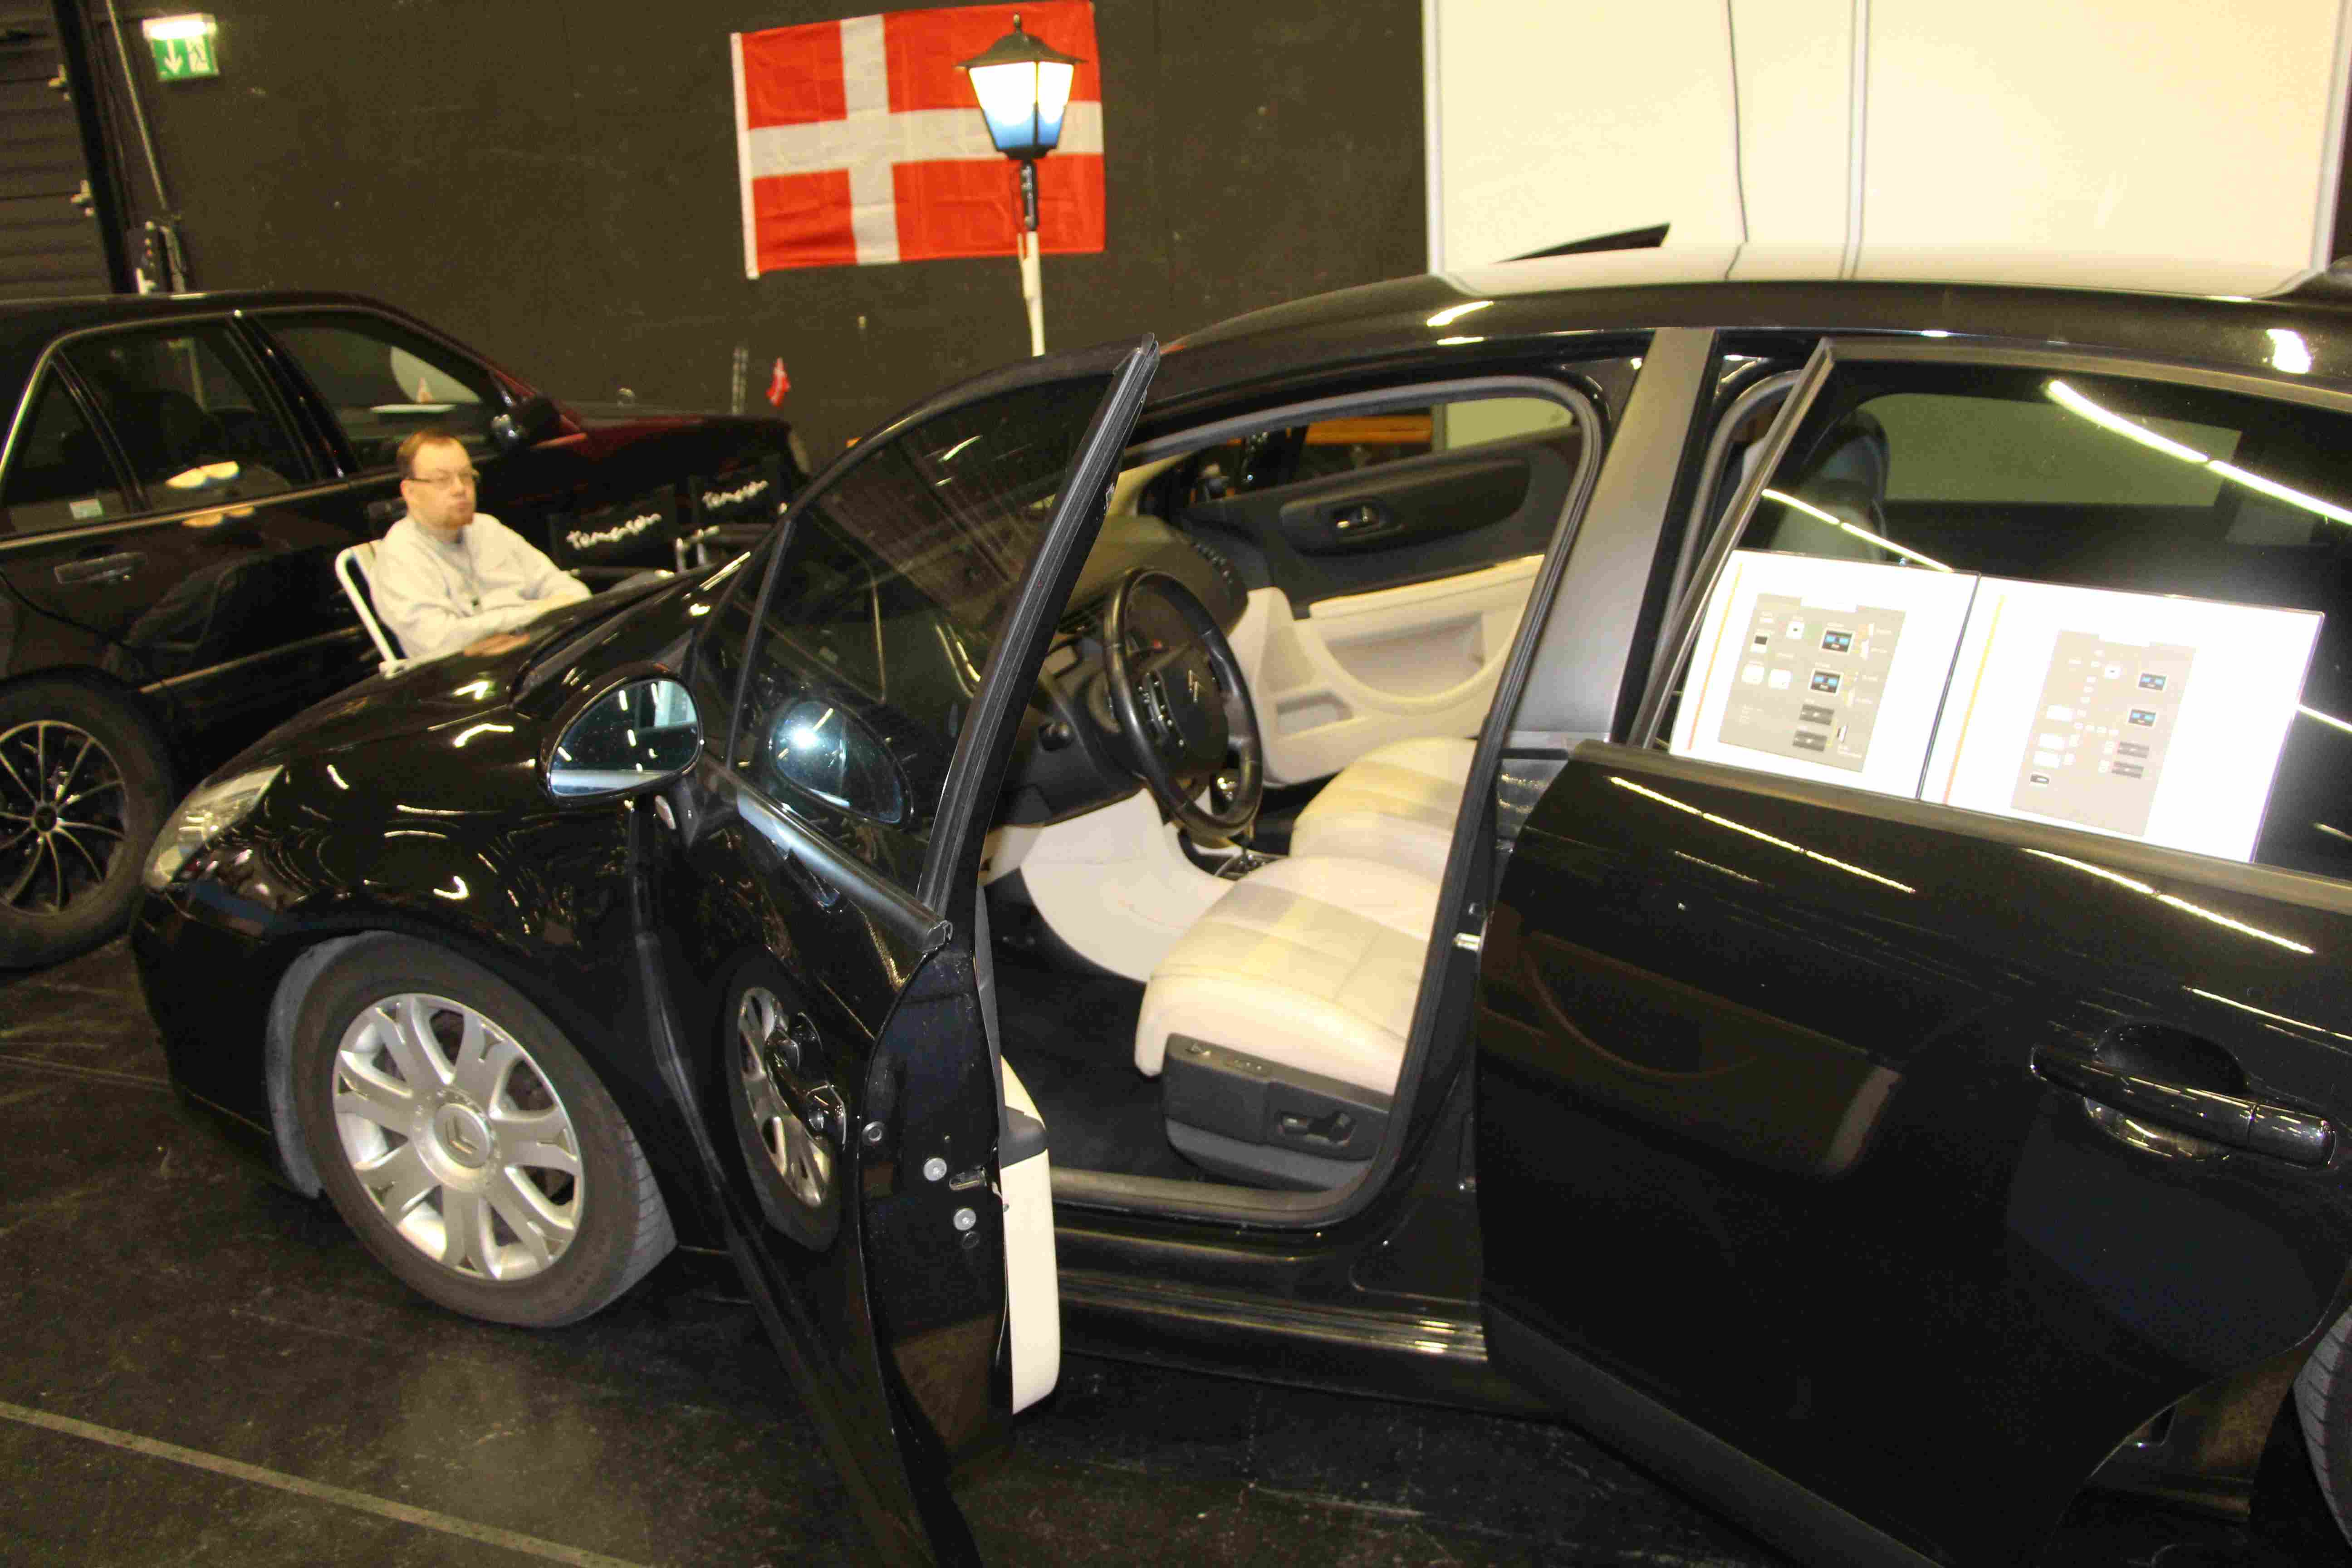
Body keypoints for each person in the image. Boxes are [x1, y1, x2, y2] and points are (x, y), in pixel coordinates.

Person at [371, 430, 589, 661]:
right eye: (443, 480)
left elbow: (573, 592)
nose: (460, 489)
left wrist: (498, 632)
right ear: (410, 492)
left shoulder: (488, 529)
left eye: (466, 476)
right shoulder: (400, 555)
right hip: (467, 676)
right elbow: (441, 642)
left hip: (538, 655)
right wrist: (535, 613)